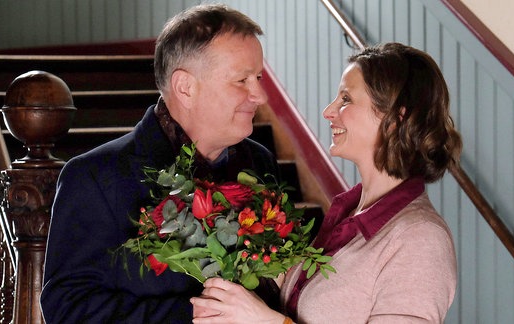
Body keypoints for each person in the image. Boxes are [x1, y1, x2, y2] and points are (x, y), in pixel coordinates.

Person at [190, 42, 463, 323]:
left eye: (346, 99)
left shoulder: (421, 239)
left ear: (395, 119)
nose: (329, 111)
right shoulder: (350, 212)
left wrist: (264, 320)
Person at [40, 4, 280, 323]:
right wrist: (200, 316)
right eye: (242, 80)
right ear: (185, 88)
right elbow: (68, 308)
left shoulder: (260, 162)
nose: (260, 95)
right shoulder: (94, 177)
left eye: (259, 77)